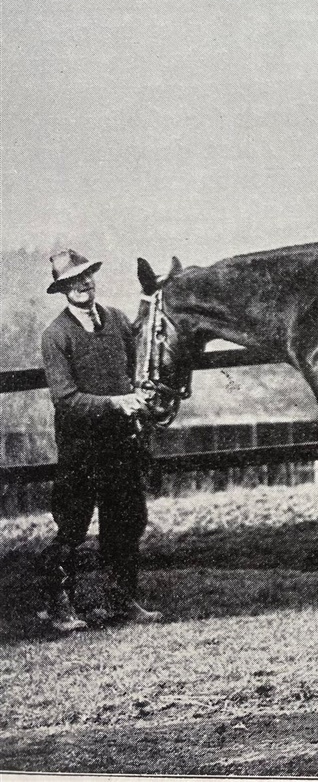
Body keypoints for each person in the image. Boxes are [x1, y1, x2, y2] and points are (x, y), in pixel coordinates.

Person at [38, 248, 162, 632]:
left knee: (124, 521)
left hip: (122, 442)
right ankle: (58, 605)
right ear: (63, 289)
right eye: (73, 281)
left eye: (86, 276)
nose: (83, 284)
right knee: (73, 524)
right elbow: (66, 399)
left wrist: (140, 395)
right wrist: (116, 402)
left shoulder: (118, 321)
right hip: (81, 445)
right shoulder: (56, 335)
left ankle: (120, 601)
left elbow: (137, 367)